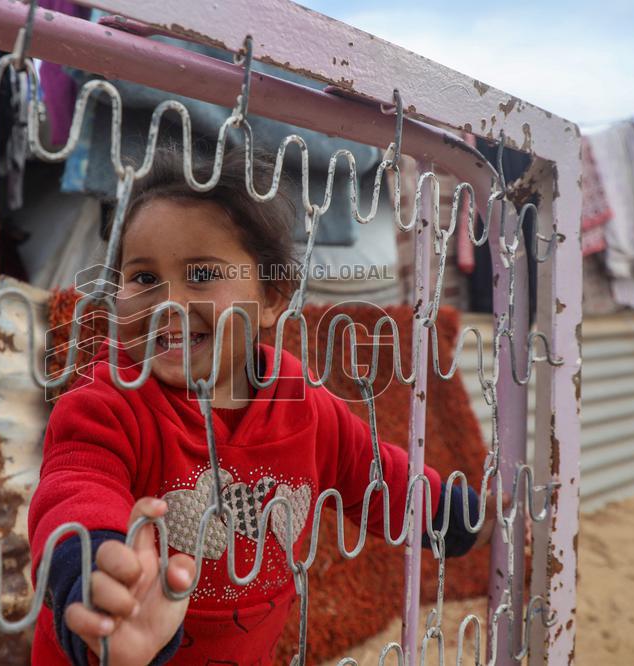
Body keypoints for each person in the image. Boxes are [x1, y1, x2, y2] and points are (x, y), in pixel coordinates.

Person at [28, 148, 499, 665]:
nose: (167, 301)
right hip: (111, 646)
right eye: (142, 278)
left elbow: (375, 473)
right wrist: (92, 571)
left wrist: (463, 518)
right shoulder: (105, 402)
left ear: (273, 298)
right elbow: (75, 484)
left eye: (202, 274)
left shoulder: (303, 404)